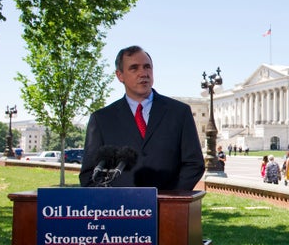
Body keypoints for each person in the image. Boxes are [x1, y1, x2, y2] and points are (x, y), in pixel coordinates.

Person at [79, 46, 205, 190]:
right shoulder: (101, 119)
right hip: (121, 209)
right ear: (120, 75)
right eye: (134, 68)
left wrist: (170, 197)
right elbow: (89, 174)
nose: (143, 73)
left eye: (147, 67)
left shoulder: (179, 112)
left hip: (168, 207)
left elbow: (194, 164)